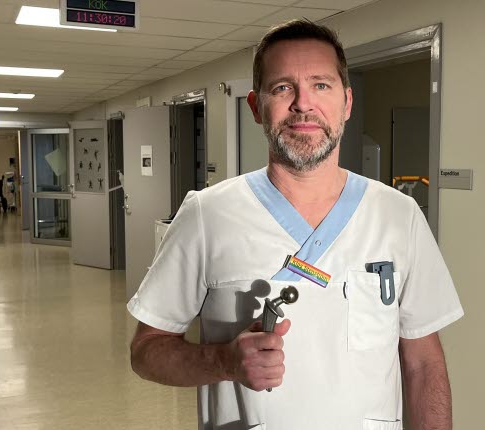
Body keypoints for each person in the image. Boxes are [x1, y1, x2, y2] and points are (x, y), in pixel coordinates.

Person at [128, 19, 463, 430]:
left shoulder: (399, 216)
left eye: (321, 85)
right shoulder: (206, 214)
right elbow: (146, 351)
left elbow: (424, 363)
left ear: (347, 102)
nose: (304, 104)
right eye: (283, 87)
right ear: (256, 107)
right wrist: (222, 361)